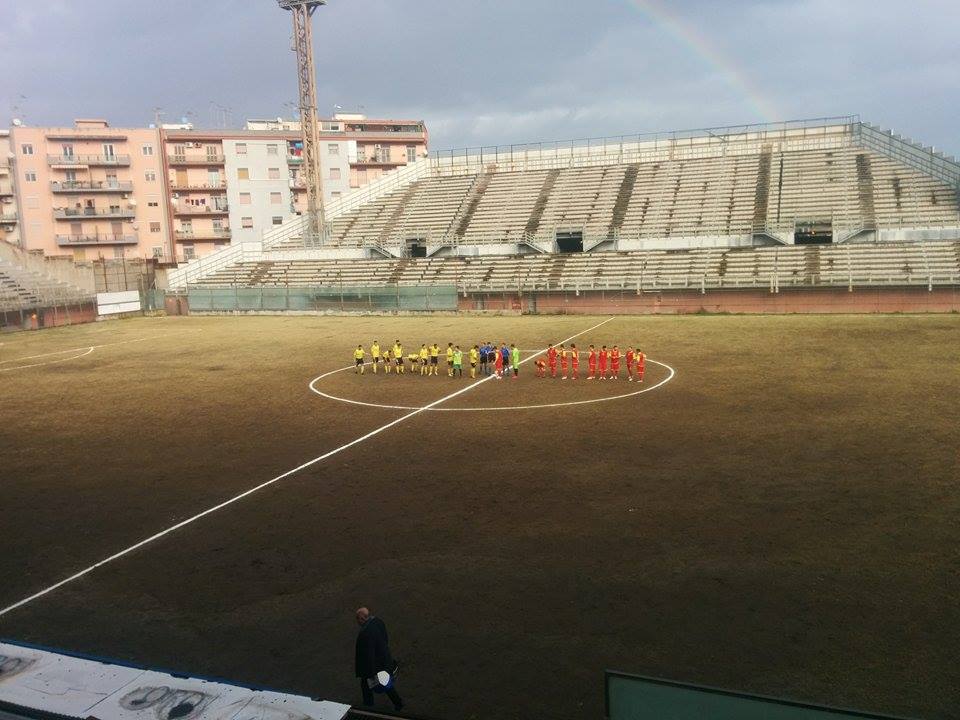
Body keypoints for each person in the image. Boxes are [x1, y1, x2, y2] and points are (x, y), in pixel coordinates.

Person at [354, 607, 403, 711]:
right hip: (384, 659)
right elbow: (385, 637)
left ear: (362, 619)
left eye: (357, 619)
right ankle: (397, 703)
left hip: (375, 666)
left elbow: (368, 654)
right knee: (383, 683)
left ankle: (369, 705)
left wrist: (371, 672)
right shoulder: (378, 621)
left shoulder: (365, 633)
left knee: (368, 684)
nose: (357, 622)